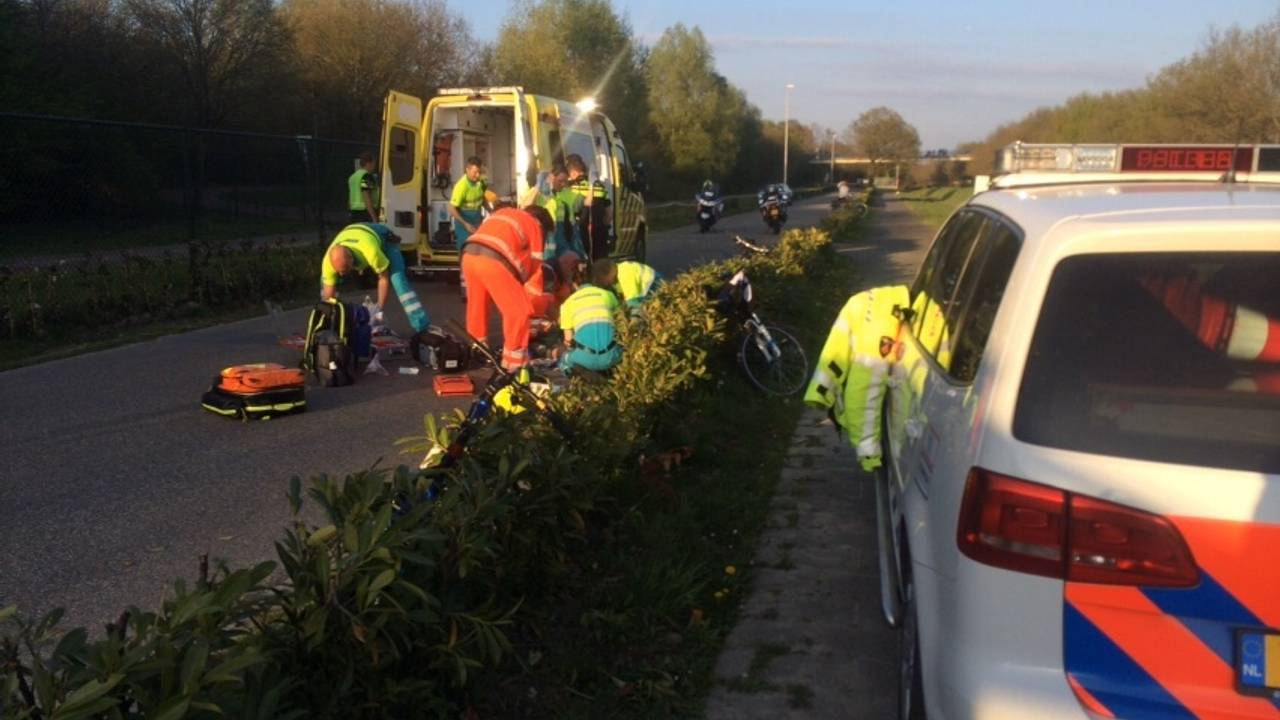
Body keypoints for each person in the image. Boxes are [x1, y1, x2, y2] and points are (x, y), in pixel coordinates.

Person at [461, 204, 554, 371]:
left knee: (478, 306)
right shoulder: (534, 224)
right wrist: (535, 314)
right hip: (493, 261)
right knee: (518, 312)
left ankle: (477, 351)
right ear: (542, 223)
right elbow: (535, 269)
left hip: (469, 255)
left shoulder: (504, 213)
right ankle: (513, 364)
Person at [321, 223, 429, 332]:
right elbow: (328, 297)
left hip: (382, 236)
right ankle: (330, 324)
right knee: (325, 285)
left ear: (351, 259)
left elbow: (383, 279)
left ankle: (422, 326)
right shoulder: (328, 262)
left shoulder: (371, 252)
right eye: (338, 271)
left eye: (344, 270)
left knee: (398, 279)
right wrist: (329, 315)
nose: (341, 275)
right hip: (352, 231)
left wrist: (378, 310)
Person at [558, 261, 623, 374]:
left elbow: (569, 342)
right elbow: (621, 324)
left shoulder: (567, 304)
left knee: (564, 359)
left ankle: (575, 379)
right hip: (612, 356)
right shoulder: (608, 295)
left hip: (585, 359)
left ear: (574, 283)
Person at [566, 153, 610, 260]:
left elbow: (573, 209)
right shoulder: (600, 185)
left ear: (573, 172)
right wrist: (602, 227)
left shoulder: (573, 187)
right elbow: (609, 214)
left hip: (582, 231)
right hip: (600, 230)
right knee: (600, 261)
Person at [594, 258, 662, 313]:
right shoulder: (618, 273)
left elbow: (633, 303)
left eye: (605, 282)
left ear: (608, 275)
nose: (606, 285)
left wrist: (634, 322)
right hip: (649, 287)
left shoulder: (625, 275)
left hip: (655, 285)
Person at [449, 156, 487, 251]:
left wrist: (492, 211)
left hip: (477, 221)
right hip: (464, 224)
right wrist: (465, 224)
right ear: (467, 170)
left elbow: (482, 198)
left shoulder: (481, 181)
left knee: (478, 248)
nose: (477, 175)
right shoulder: (461, 186)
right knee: (466, 249)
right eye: (475, 172)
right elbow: (451, 208)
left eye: (479, 172)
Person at [551, 161, 588, 259]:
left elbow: (586, 203)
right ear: (552, 178)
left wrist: (580, 222)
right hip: (552, 233)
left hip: (568, 232)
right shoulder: (543, 194)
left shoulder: (570, 193)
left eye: (565, 181)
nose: (563, 184)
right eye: (560, 181)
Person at [348, 152, 379, 223]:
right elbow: (366, 197)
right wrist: (374, 217)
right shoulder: (367, 176)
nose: (374, 166)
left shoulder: (352, 177)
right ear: (368, 163)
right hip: (365, 213)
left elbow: (349, 199)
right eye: (373, 163)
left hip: (354, 213)